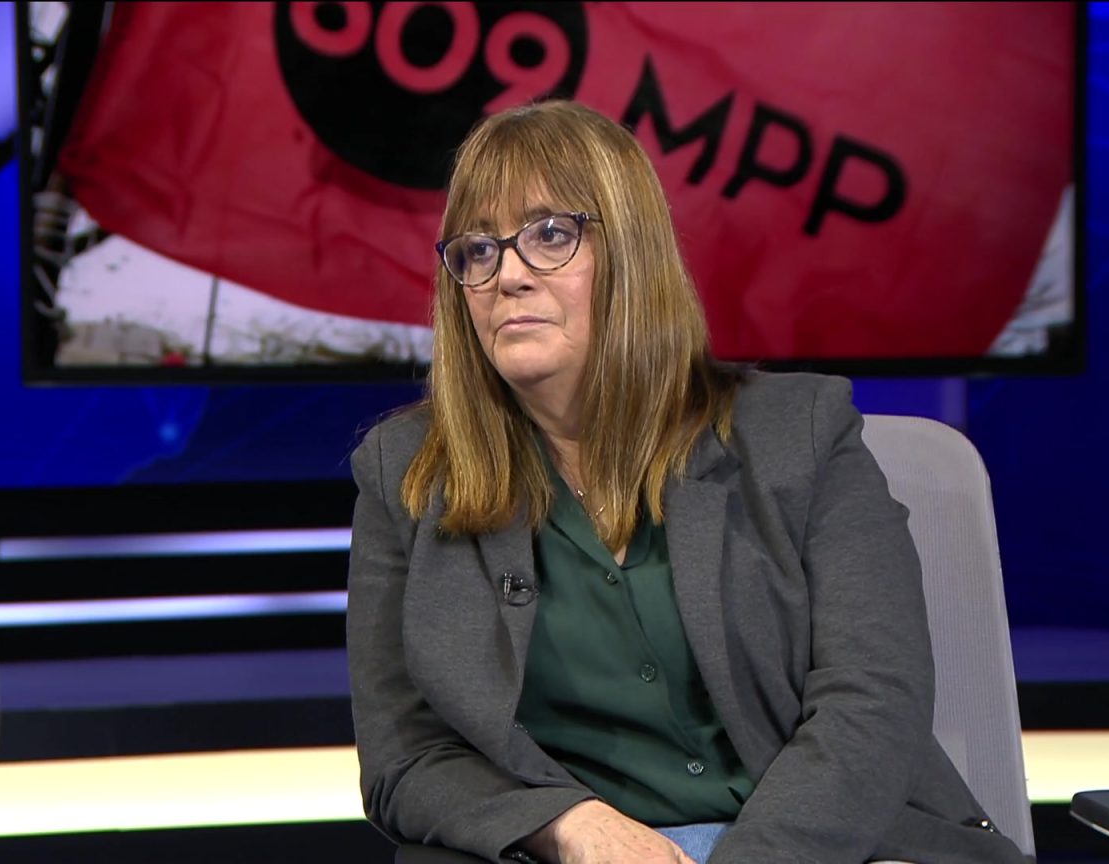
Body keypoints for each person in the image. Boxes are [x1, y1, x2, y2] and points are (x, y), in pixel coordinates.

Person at [346, 100, 1025, 864]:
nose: (507, 276)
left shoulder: (800, 434)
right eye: (477, 250)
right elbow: (405, 758)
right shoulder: (406, 474)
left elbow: (872, 701)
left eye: (549, 236)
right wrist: (568, 826)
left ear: (631, 252)